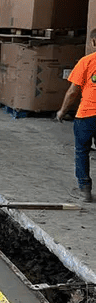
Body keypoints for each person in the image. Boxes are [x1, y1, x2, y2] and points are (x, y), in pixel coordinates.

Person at [55, 29, 96, 202]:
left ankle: (84, 189)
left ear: (93, 42)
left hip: (86, 115)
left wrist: (62, 111)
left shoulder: (86, 62)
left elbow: (73, 92)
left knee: (81, 151)